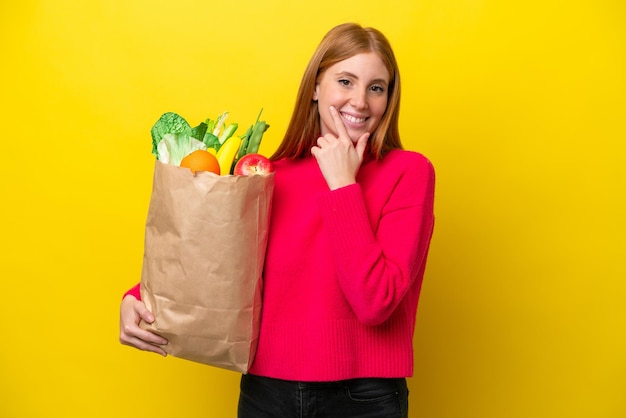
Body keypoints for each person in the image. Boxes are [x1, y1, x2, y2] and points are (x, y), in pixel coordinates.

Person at [120, 22, 435, 418]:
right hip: (266, 393)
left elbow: (375, 302)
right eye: (345, 81)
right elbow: (218, 261)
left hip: (365, 398)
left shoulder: (409, 173)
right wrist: (138, 297)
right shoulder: (268, 176)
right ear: (316, 88)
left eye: (377, 87)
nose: (360, 100)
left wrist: (342, 185)